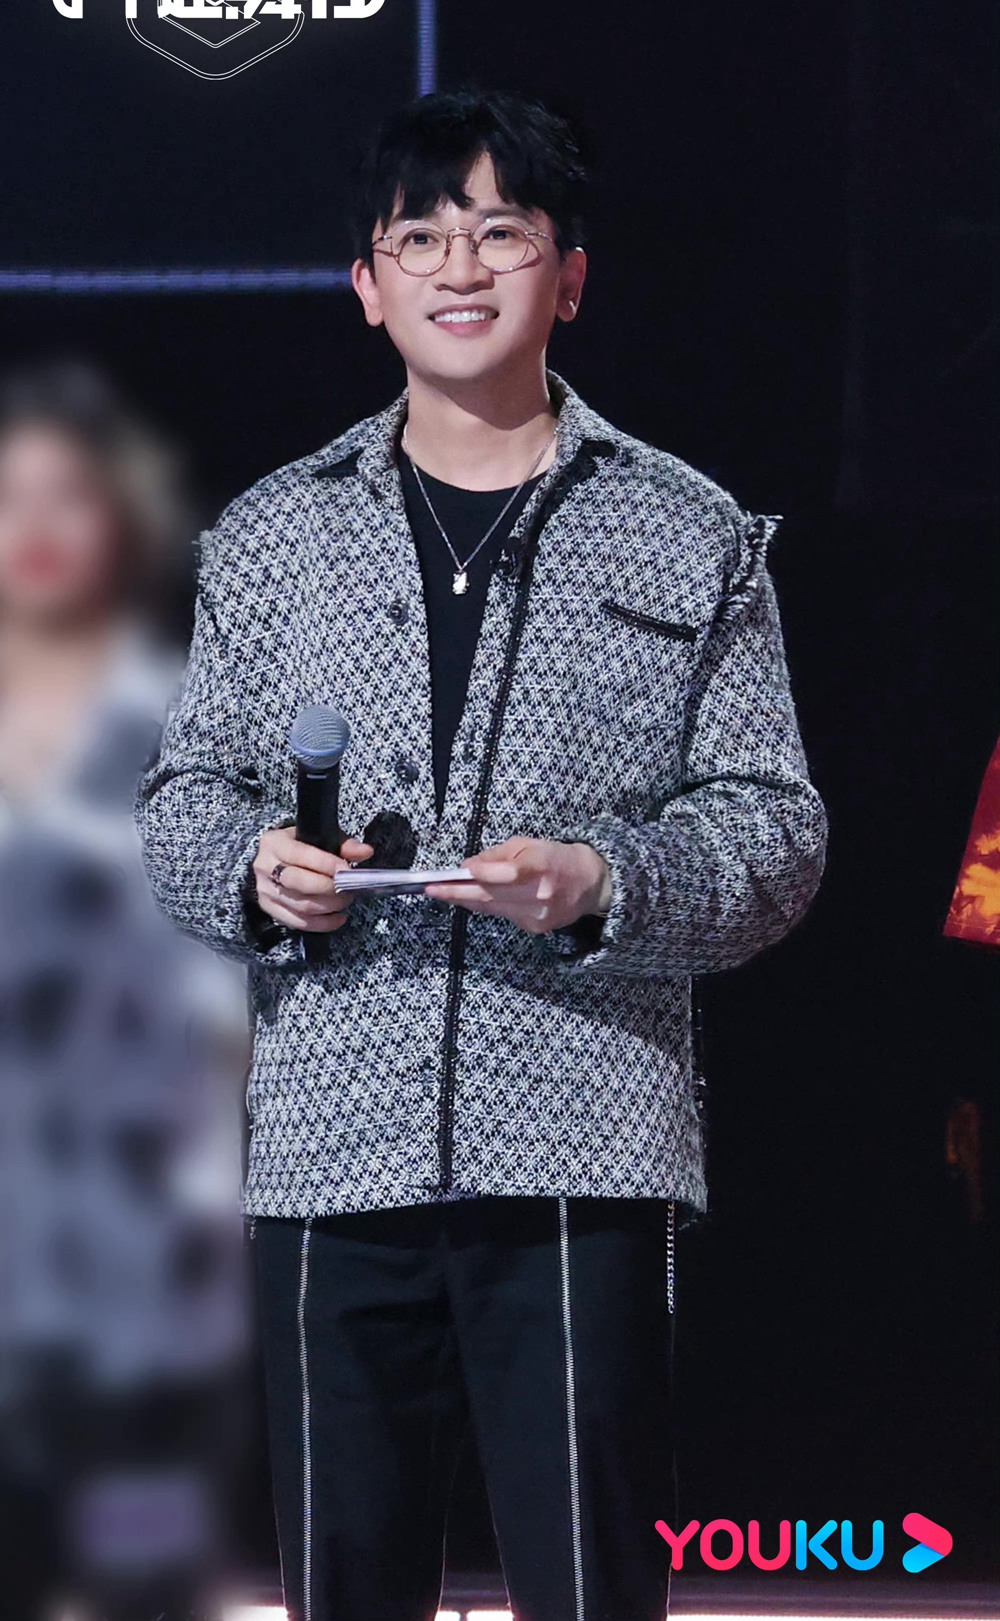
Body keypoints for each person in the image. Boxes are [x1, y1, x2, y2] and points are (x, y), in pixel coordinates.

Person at [136, 87, 828, 1621]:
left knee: (590, 1580)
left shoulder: (688, 529)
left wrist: (602, 884)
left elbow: (776, 831)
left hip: (581, 1140)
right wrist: (255, 870)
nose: (462, 267)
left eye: (502, 232)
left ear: (568, 276)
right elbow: (182, 799)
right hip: (331, 1143)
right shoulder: (275, 534)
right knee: (345, 1579)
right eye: (422, 237)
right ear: (366, 285)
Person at [0, 361, 249, 1621]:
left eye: (70, 495)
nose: (37, 527)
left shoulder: (188, 722)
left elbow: (228, 990)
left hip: (150, 1257)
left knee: (139, 1572)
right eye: (10, 497)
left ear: (126, 517)